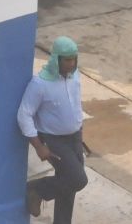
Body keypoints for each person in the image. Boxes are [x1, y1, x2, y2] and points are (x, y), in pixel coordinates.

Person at [19, 36, 88, 223]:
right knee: (78, 180)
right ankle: (34, 189)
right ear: (56, 58)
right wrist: (38, 146)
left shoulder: (75, 75)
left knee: (68, 183)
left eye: (74, 59)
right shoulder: (40, 84)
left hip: (74, 137)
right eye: (67, 60)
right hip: (54, 140)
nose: (72, 63)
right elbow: (24, 115)